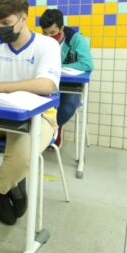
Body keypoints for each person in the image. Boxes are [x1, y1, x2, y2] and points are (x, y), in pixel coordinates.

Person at [0, 0, 61, 225]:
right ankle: (7, 183)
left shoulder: (47, 45)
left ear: (24, 18)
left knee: (22, 158)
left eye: (6, 23)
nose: (0, 28)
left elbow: (47, 84)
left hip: (39, 118)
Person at [39, 8, 94, 148]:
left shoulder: (76, 39)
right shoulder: (41, 41)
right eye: (45, 33)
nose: (49, 36)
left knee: (67, 106)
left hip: (71, 86)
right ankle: (41, 134)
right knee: (37, 103)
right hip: (50, 83)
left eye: (53, 33)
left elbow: (87, 64)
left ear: (61, 28)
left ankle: (52, 130)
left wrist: (58, 67)